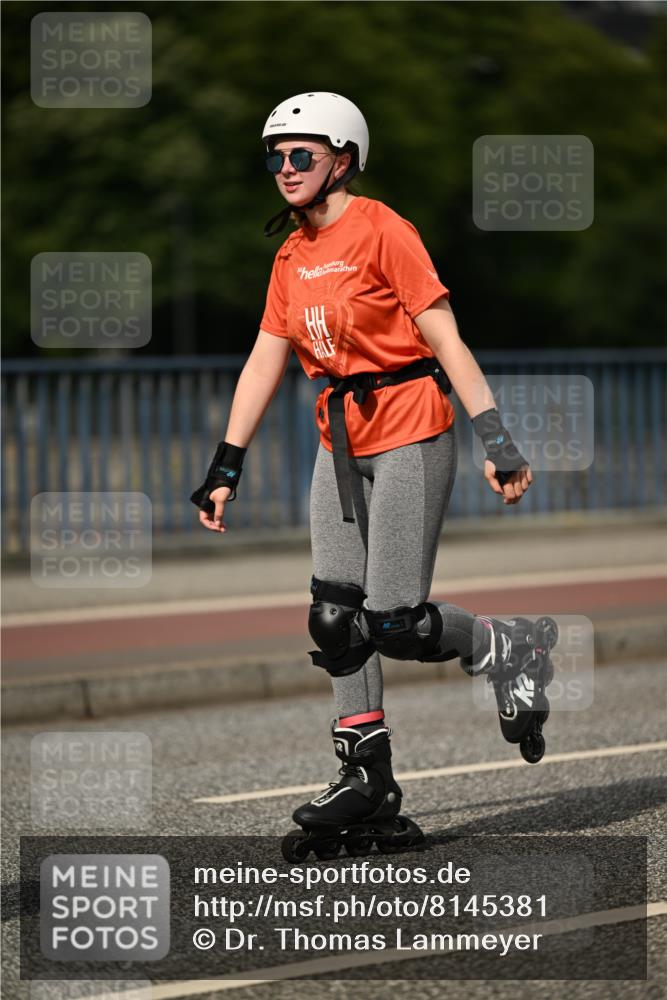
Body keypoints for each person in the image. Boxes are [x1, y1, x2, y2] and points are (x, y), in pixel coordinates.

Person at [191, 93, 557, 862]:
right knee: (333, 616)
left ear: (343, 158)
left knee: (392, 620)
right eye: (275, 156)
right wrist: (227, 462)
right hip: (341, 443)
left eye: (301, 155)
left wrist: (496, 439)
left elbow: (443, 337)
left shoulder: (384, 231)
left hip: (412, 433)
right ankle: (366, 781)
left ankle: (504, 649)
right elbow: (265, 357)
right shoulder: (289, 253)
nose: (285, 169)